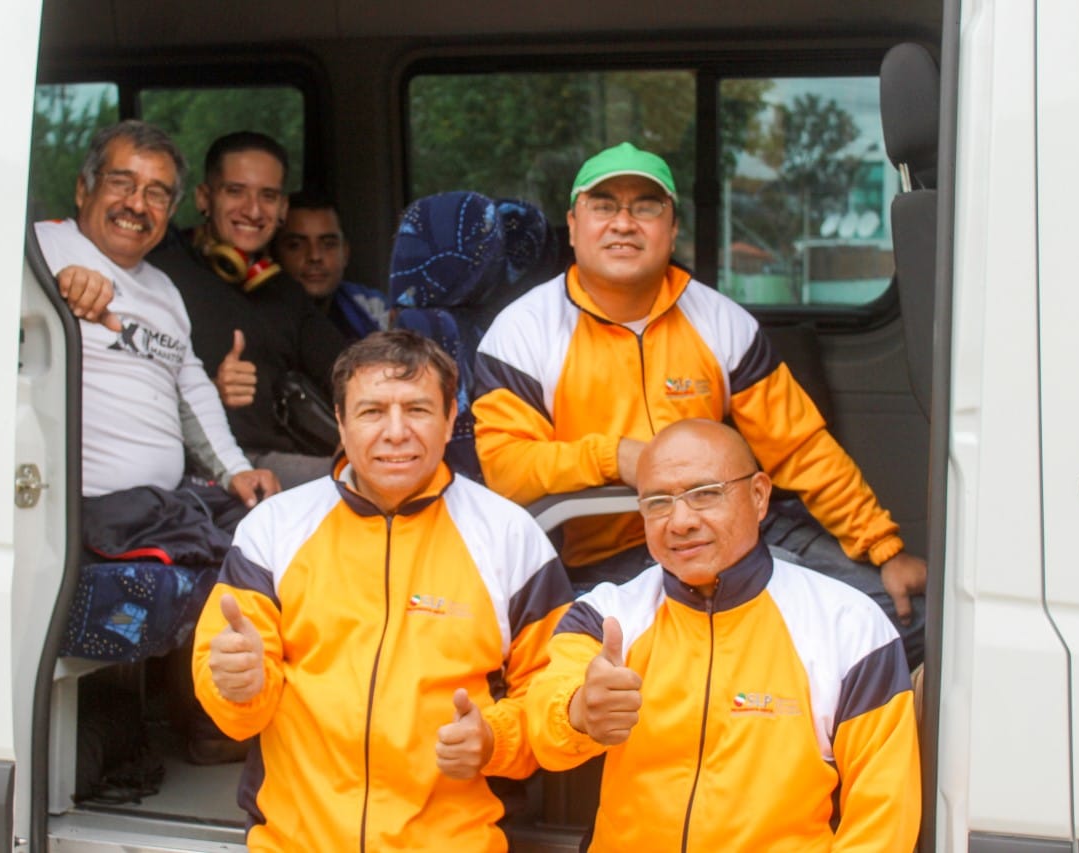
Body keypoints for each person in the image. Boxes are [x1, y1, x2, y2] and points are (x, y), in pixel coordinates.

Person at [472, 141, 927, 666]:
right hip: (602, 557)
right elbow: (508, 468)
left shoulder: (719, 320)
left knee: (907, 617)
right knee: (776, 625)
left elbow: (799, 446)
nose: (624, 223)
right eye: (604, 206)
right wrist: (614, 458)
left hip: (733, 531)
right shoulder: (523, 333)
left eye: (646, 206)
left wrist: (883, 547)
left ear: (672, 229)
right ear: (573, 226)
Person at [191, 329, 573, 851]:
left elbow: (558, 696)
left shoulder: (509, 536)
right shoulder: (275, 529)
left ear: (448, 422)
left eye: (417, 410)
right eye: (372, 412)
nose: (396, 433)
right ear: (341, 424)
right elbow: (235, 709)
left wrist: (493, 740)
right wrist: (237, 686)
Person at [526, 419, 921, 850]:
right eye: (658, 502)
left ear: (758, 495)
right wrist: (581, 711)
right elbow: (546, 726)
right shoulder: (608, 614)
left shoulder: (849, 626)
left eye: (704, 494)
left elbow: (882, 818)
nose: (679, 521)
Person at [35, 119, 279, 508]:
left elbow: (193, 391)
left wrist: (235, 470)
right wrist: (51, 285)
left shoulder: (164, 290)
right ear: (84, 189)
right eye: (121, 183)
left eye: (156, 194)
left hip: (162, 506)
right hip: (78, 511)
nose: (136, 204)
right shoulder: (42, 249)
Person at [149, 133, 348, 488]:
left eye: (267, 196)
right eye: (236, 191)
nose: (254, 210)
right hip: (205, 470)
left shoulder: (284, 290)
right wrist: (212, 390)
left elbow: (345, 369)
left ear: (283, 209)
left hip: (278, 461)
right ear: (204, 198)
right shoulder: (160, 277)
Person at [273, 189, 391, 341]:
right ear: (274, 254)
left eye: (328, 244)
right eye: (296, 245)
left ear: (345, 253)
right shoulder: (260, 318)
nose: (314, 256)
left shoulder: (370, 308)